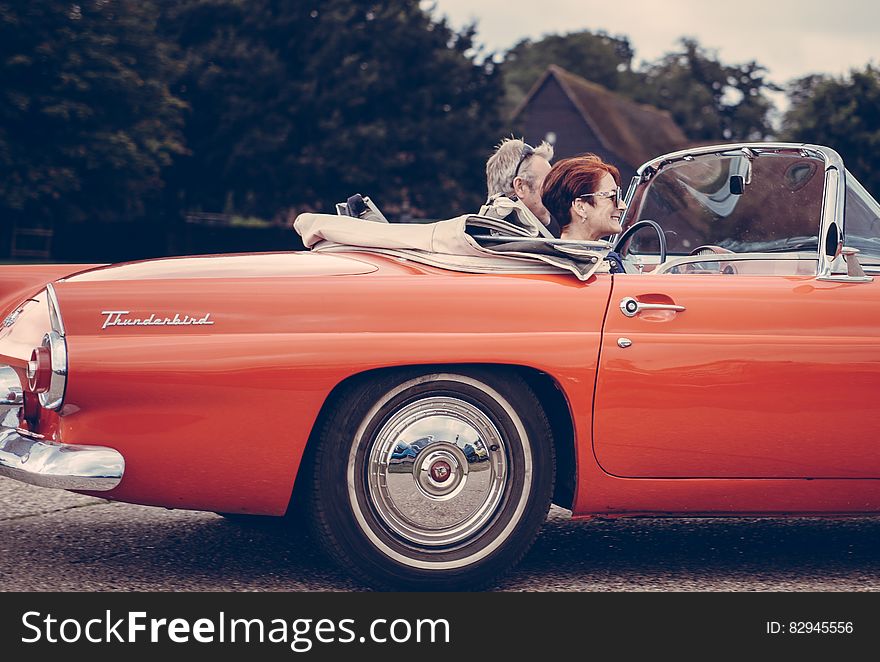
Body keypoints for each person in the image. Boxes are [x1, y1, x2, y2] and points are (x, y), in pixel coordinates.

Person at [541, 153, 628, 270]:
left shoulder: (551, 265)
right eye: (613, 196)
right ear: (580, 207)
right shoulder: (582, 269)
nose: (623, 206)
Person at [483, 138, 560, 238]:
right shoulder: (522, 248)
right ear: (520, 187)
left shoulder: (477, 237)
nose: (555, 193)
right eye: (547, 184)